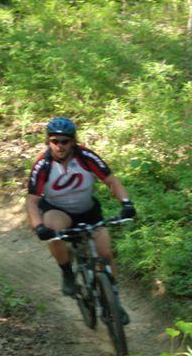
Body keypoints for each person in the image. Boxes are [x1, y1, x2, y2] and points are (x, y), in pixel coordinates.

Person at [25, 117, 136, 324]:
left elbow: (111, 180)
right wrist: (38, 226)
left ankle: (115, 302)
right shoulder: (43, 165)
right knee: (54, 232)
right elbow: (32, 201)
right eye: (54, 141)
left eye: (65, 141)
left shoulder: (85, 156)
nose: (60, 146)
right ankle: (67, 273)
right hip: (59, 210)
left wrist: (126, 203)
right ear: (48, 141)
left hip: (88, 210)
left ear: (73, 141)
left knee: (105, 253)